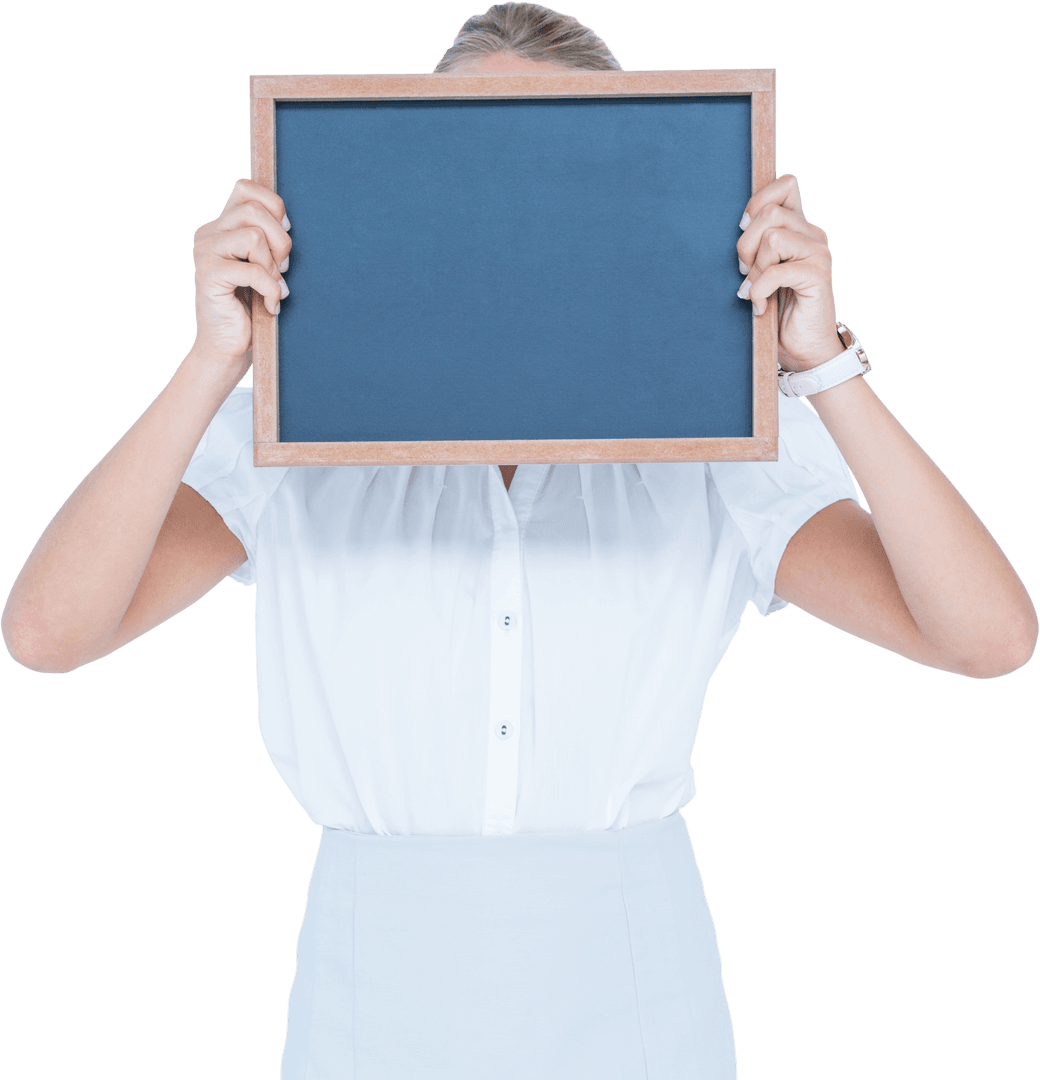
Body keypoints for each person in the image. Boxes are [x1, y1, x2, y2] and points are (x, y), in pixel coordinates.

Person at [2, 3, 1035, 1077]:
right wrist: (217, 359)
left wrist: (818, 366)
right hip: (372, 993)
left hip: (635, 991)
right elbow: (47, 633)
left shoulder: (718, 443)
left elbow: (985, 638)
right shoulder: (287, 431)